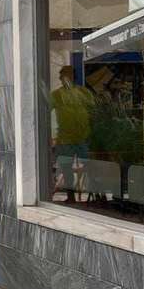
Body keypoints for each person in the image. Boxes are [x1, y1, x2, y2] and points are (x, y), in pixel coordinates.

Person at [50, 65, 93, 201]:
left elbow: (93, 111)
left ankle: (97, 194)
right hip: (65, 138)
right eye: (61, 76)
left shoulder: (84, 92)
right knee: (67, 168)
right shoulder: (56, 94)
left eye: (63, 75)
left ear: (71, 76)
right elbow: (45, 111)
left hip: (83, 137)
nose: (61, 78)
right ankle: (70, 196)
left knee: (90, 167)